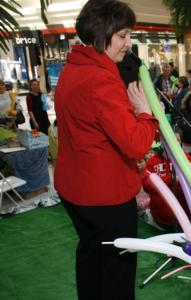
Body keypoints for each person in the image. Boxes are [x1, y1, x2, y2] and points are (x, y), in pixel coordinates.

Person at [54, 1, 158, 299]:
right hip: (104, 195)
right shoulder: (100, 78)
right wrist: (145, 113)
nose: (129, 43)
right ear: (102, 32)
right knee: (117, 270)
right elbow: (136, 143)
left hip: (75, 187)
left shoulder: (75, 67)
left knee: (91, 255)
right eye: (123, 35)